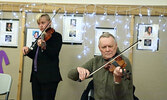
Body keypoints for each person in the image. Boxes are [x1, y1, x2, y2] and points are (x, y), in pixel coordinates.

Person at [68, 32, 133, 100]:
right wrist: (79, 69)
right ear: (99, 48)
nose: (107, 50)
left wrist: (117, 79)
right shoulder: (96, 61)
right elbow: (71, 75)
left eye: (110, 46)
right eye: (104, 47)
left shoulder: (124, 62)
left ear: (116, 46)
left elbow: (121, 94)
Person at [22, 13, 62, 100]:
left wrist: (44, 46)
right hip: (36, 77)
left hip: (49, 77)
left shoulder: (56, 36)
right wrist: (28, 51)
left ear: (50, 22)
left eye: (43, 23)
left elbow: (54, 54)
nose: (41, 25)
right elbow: (36, 56)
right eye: (39, 23)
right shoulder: (40, 37)